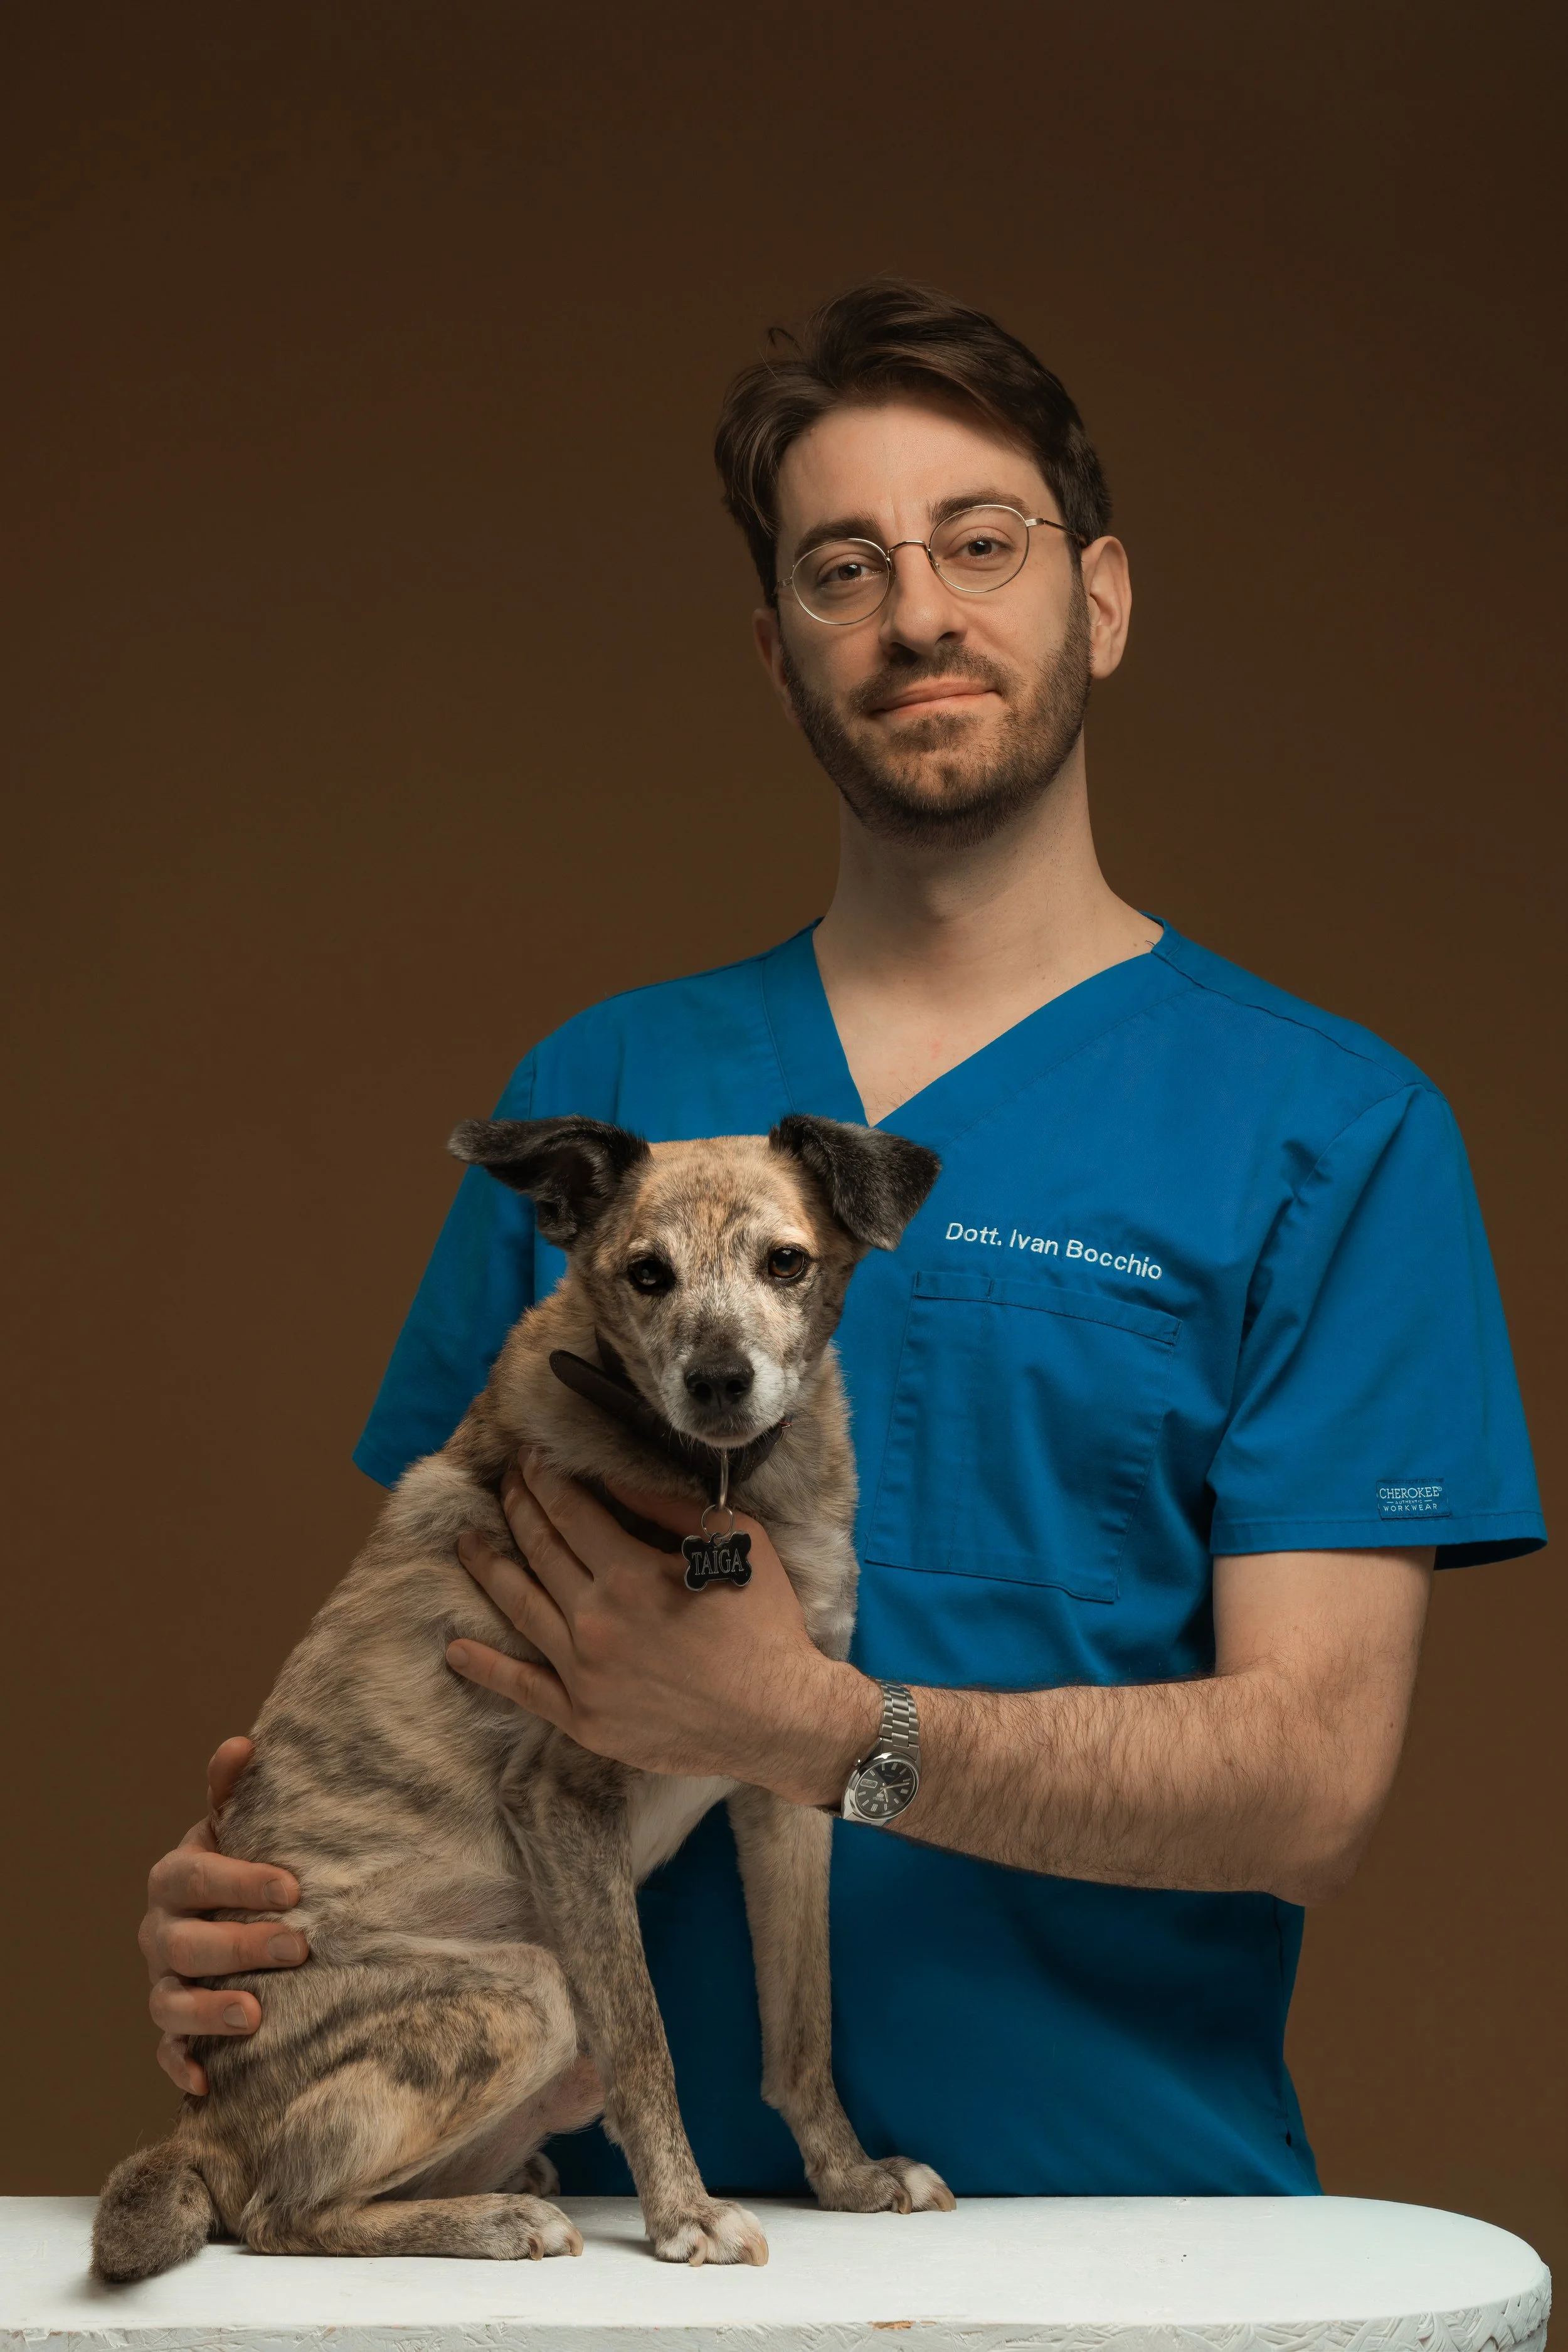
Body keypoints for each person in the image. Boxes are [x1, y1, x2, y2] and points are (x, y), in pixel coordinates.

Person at [139, 280, 1545, 2198]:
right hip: (613, 2243)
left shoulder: (1331, 1132)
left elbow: (1309, 1791)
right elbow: (431, 1665)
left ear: (1101, 598)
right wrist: (265, 1931)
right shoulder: (609, 1089)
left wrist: (823, 1734)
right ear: (778, 648)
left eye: (982, 541)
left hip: (1139, 2225)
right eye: (843, 566)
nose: (917, 613)